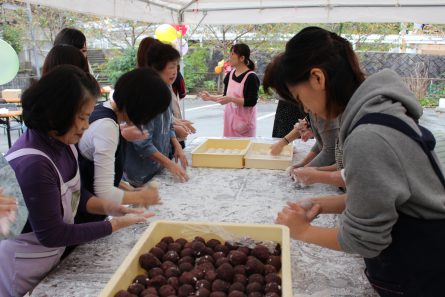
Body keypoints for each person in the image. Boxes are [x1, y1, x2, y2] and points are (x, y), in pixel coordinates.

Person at [273, 27, 445, 296]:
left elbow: (364, 240)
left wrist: (302, 231)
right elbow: (385, 196)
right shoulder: (381, 112)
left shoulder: (368, 136)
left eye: (299, 98)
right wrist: (320, 204)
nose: (305, 108)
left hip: (420, 272)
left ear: (317, 78)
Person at [0, 65, 153, 296]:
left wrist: (113, 208)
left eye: (88, 116)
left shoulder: (65, 142)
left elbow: (76, 196)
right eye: (82, 117)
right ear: (56, 112)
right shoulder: (33, 163)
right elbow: (52, 234)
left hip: (49, 261)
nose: (86, 125)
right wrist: (114, 224)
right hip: (21, 267)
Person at [77, 68, 169, 223]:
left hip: (91, 210)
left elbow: (100, 171)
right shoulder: (106, 127)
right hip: (81, 219)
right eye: (150, 113)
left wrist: (129, 189)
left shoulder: (105, 111)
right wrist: (140, 197)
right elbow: (104, 192)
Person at [124, 42, 189, 186]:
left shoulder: (165, 88)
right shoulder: (145, 95)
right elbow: (142, 144)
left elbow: (168, 124)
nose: (175, 72)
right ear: (156, 67)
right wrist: (170, 164)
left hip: (157, 168)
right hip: (141, 173)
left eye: (176, 67)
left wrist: (177, 145)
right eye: (171, 67)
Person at [201, 43, 260, 137]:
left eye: (233, 54)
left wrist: (232, 99)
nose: (230, 57)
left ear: (242, 58)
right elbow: (226, 97)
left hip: (244, 125)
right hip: (229, 121)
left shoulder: (251, 77)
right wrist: (210, 97)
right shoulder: (230, 74)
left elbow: (251, 101)